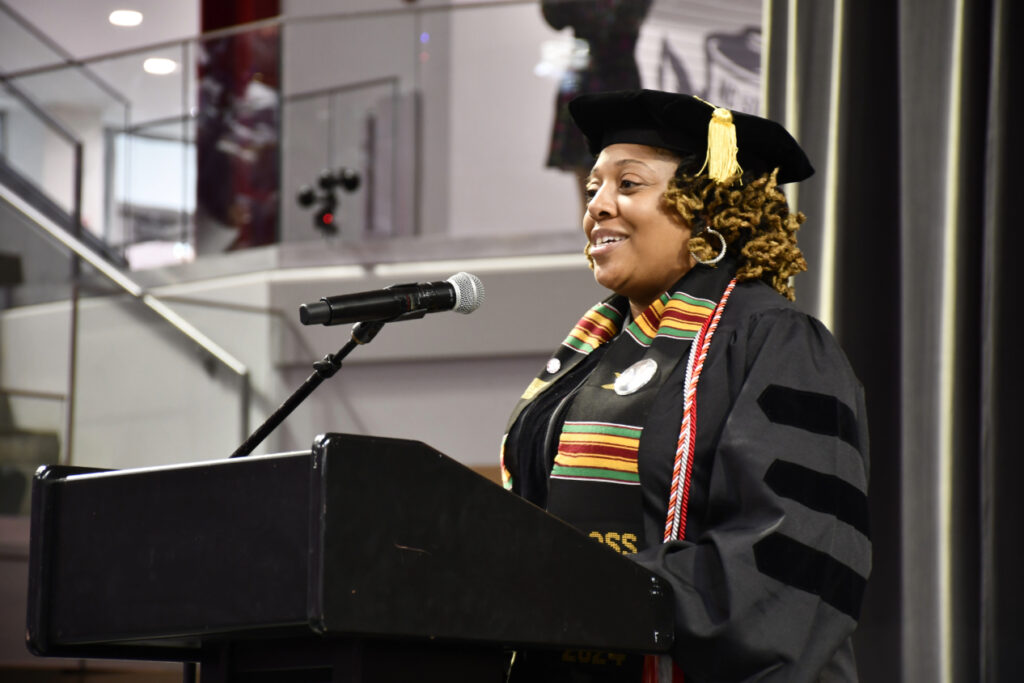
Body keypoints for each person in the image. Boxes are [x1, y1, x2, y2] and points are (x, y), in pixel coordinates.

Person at [501, 89, 870, 682]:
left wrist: (588, 597)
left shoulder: (775, 343)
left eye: (628, 184)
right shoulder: (589, 353)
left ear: (708, 208)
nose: (596, 205)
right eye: (594, 186)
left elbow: (787, 559)